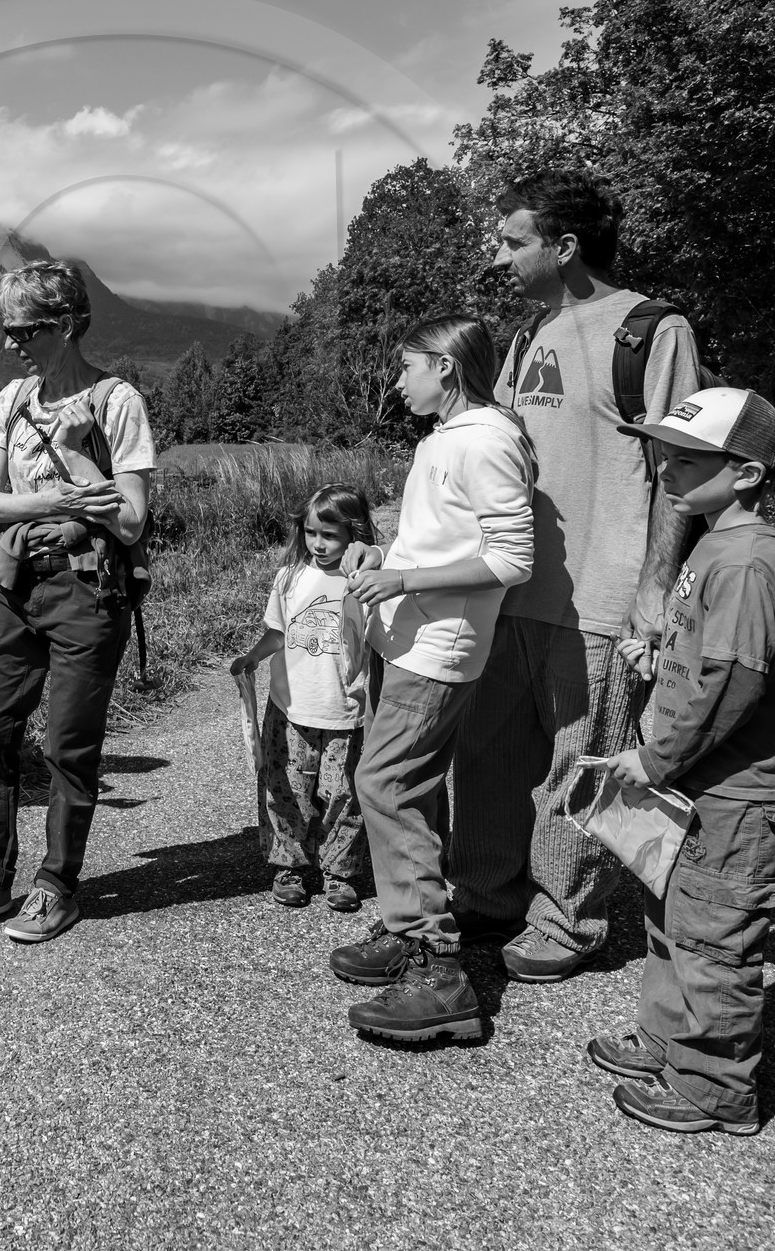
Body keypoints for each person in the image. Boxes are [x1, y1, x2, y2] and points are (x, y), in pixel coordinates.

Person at [448, 167, 704, 982]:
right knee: (487, 755)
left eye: (512, 242)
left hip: (602, 594)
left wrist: (653, 593)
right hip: (511, 591)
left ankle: (567, 918)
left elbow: (680, 470)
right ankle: (485, 897)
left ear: (563, 245)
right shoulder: (529, 334)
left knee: (579, 760)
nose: (499, 258)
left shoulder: (651, 331)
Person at [587, 387, 775, 1134]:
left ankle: (715, 1087)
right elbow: (706, 661)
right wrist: (658, 660)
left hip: (739, 793)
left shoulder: (745, 561)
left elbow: (734, 683)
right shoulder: (713, 545)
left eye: (687, 459)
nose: (666, 470)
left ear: (745, 473)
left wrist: (654, 760)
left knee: (714, 938)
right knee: (673, 918)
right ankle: (667, 1042)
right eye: (665, 455)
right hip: (699, 778)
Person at [0, 260, 155, 944]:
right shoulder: (12, 399)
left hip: (87, 589)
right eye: (6, 330)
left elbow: (130, 521)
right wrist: (55, 501)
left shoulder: (116, 402)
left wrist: (72, 449)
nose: (11, 343)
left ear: (65, 324)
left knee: (68, 743)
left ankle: (57, 884)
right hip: (15, 583)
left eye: (23, 330)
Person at [332, 315, 536, 1043]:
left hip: (439, 649)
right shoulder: (446, 437)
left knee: (385, 784)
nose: (397, 382)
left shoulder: (485, 440)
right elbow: (447, 539)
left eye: (406, 366)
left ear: (445, 366)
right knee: (408, 787)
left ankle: (438, 970)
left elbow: (512, 559)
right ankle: (406, 930)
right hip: (411, 640)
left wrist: (405, 579)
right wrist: (382, 557)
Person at [229, 485, 374, 913]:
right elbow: (279, 632)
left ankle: (339, 872)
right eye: (311, 533)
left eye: (330, 535)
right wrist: (253, 656)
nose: (318, 543)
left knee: (344, 796)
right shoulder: (290, 577)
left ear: (354, 535)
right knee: (285, 788)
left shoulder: (364, 583)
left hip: (344, 711)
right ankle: (288, 866)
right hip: (291, 708)